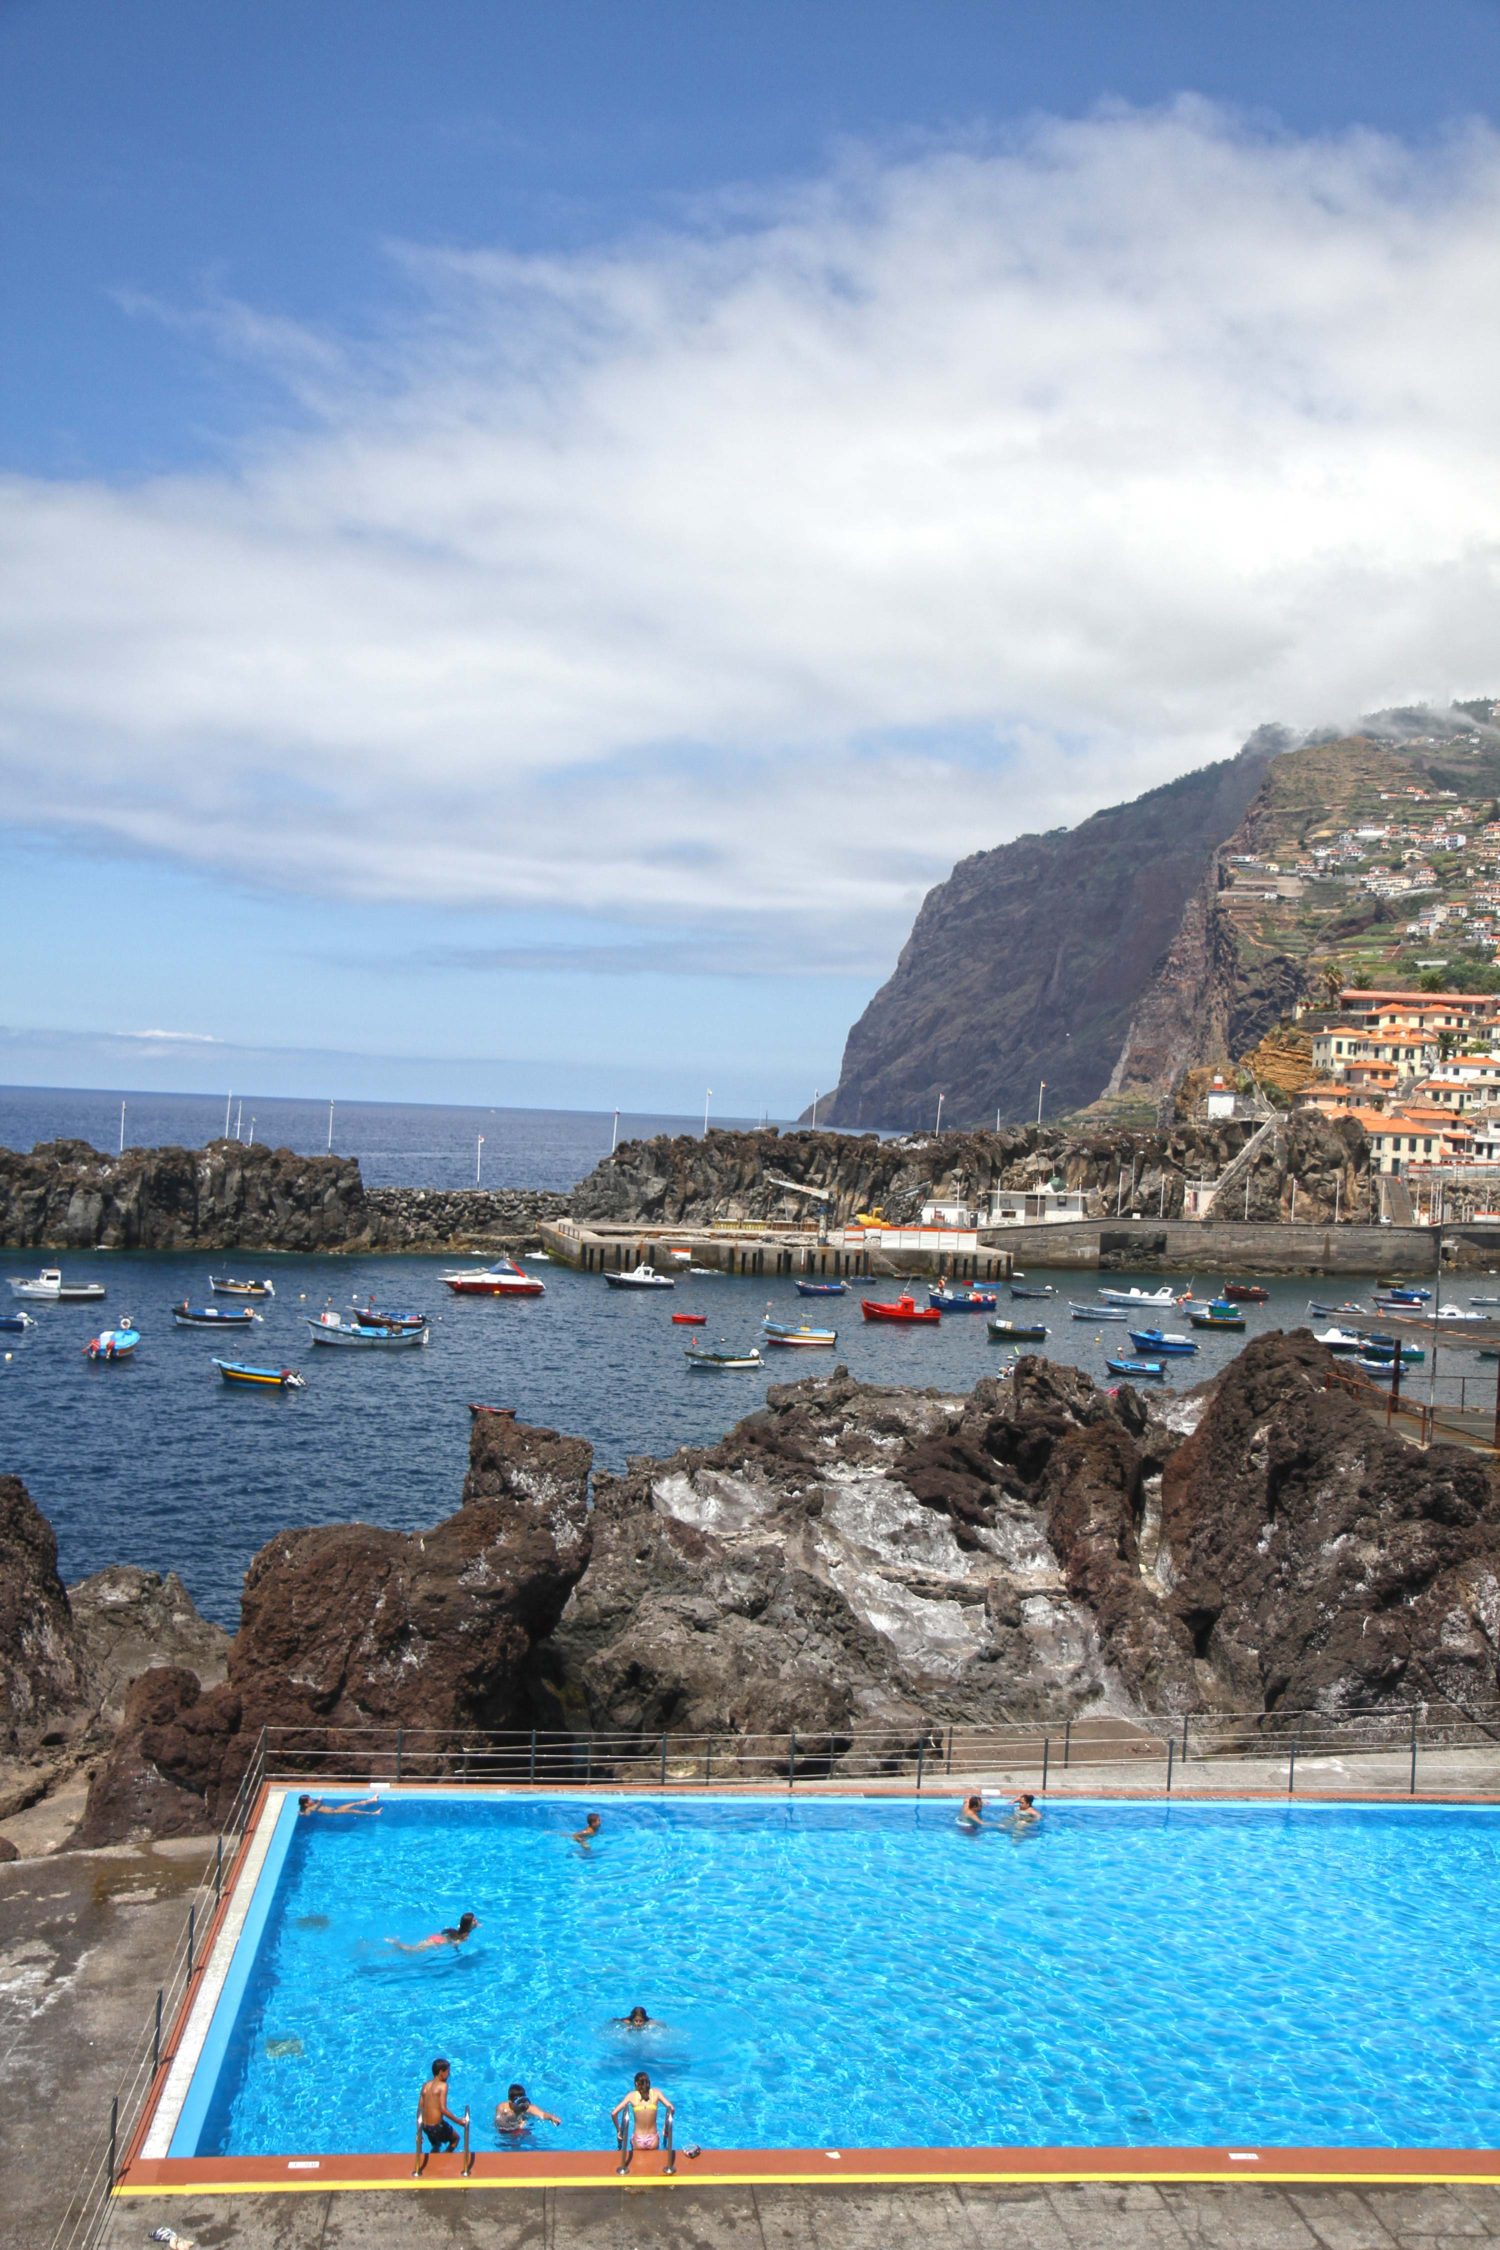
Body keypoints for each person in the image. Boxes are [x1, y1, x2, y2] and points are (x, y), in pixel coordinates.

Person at [612, 2070, 675, 2174]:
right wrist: (665, 2127)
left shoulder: (632, 2096)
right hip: (653, 2139)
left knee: (636, 2169)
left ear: (636, 2083)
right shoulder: (656, 2093)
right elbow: (671, 2108)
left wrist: (619, 2131)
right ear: (648, 2082)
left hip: (638, 2140)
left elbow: (614, 2113)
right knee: (654, 2168)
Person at [413, 2058, 468, 2174]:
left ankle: (432, 2162)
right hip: (437, 2126)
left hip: (425, 2126)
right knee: (455, 2139)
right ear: (441, 2072)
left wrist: (419, 2131)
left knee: (436, 2144)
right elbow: (443, 2109)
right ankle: (443, 2160)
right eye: (448, 2071)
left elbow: (419, 2110)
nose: (449, 2074)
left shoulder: (425, 2086)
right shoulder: (443, 2086)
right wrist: (459, 2122)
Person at [387, 1911, 481, 1953]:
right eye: (474, 1920)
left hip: (438, 1936)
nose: (476, 1921)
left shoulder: (461, 1927)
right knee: (413, 1949)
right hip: (439, 1941)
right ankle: (395, 1943)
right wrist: (457, 1951)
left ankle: (392, 1950)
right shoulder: (465, 1936)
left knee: (412, 1951)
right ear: (468, 1924)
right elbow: (455, 1944)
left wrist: (476, 1926)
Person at [494, 2082, 562, 2136]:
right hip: (508, 2130)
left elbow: (543, 2114)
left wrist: (552, 2117)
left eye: (522, 2101)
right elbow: (498, 2124)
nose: (521, 2105)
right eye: (518, 2103)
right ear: (510, 2102)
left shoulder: (527, 2107)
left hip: (522, 2126)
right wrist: (517, 2128)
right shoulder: (503, 2108)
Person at [298, 1793, 382, 1816]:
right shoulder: (309, 1809)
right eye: (309, 1800)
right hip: (333, 1812)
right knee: (353, 1811)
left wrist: (319, 1800)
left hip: (335, 1808)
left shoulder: (314, 1803)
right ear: (306, 1804)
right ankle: (374, 1813)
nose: (311, 1799)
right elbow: (307, 1814)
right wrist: (302, 1814)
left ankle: (372, 1800)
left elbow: (318, 1803)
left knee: (353, 1803)